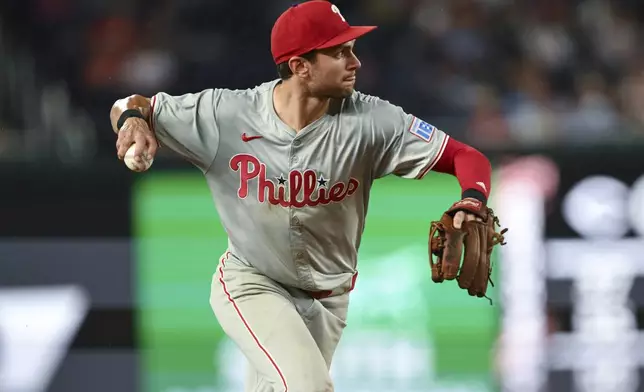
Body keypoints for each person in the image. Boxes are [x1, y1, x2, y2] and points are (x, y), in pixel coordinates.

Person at [109, 1, 493, 391]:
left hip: (329, 300)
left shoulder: (373, 121)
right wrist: (132, 122)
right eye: (339, 51)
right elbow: (129, 104)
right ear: (300, 66)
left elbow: (467, 156)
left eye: (352, 49)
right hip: (253, 283)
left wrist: (473, 199)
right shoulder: (227, 114)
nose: (354, 61)